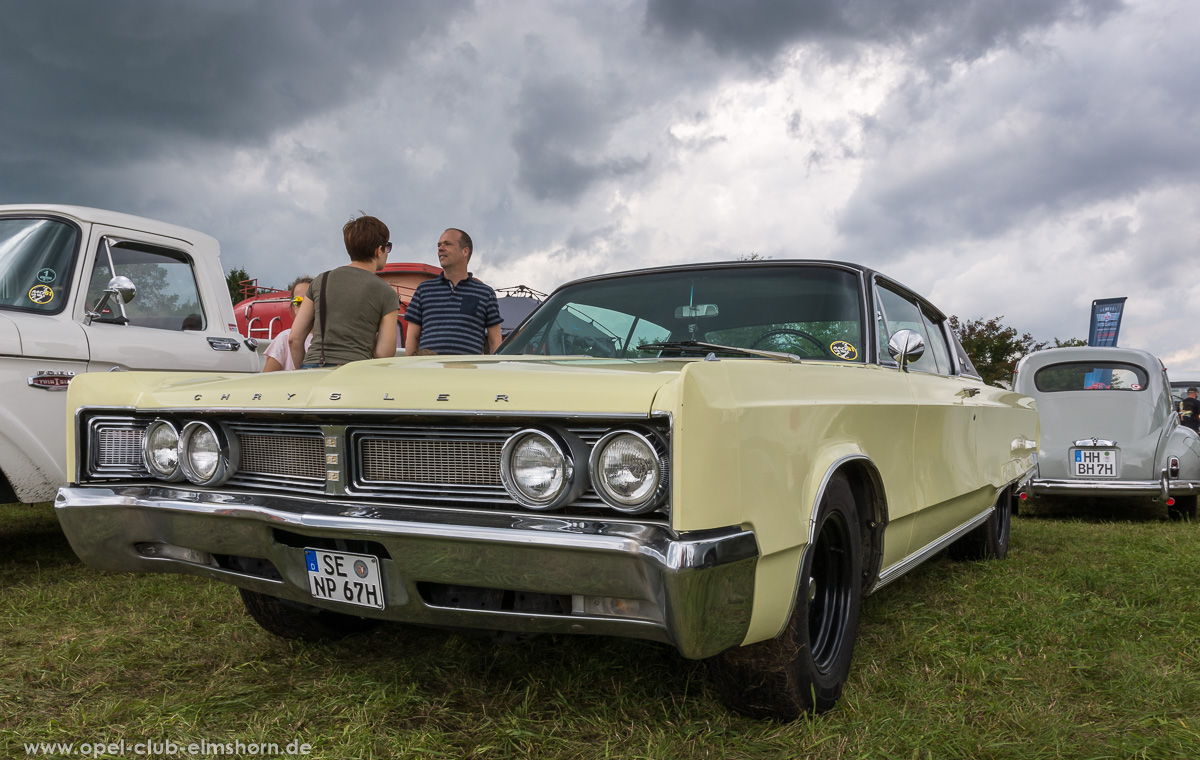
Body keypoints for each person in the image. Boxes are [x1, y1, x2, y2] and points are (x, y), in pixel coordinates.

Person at [290, 215, 400, 368]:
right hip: (353, 372)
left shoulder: (321, 280)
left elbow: (294, 339)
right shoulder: (386, 292)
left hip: (313, 367)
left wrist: (303, 369)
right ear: (378, 251)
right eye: (387, 247)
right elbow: (384, 353)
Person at [403, 228, 502, 355]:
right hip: (429, 371)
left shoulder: (485, 293)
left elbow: (495, 342)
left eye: (447, 244)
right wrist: (412, 369)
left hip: (467, 373)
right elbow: (412, 337)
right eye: (439, 245)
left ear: (465, 251)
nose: (440, 248)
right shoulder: (423, 290)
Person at [261, 276, 313, 372]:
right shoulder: (284, 338)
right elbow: (265, 380)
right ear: (293, 307)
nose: (303, 305)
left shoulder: (331, 339)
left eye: (308, 300)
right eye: (298, 301)